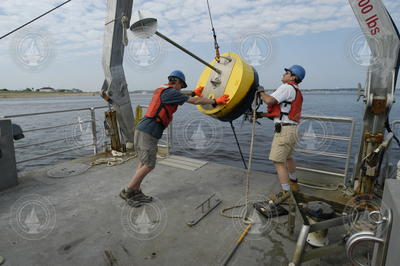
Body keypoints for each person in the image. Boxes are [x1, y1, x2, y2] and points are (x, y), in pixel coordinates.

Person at [120, 70, 230, 204]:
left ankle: (136, 191)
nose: (181, 88)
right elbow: (194, 101)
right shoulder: (171, 93)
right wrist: (215, 101)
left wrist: (193, 92)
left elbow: (181, 95)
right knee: (149, 165)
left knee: (144, 162)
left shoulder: (164, 90)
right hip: (148, 132)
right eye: (182, 85)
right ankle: (128, 191)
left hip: (144, 130)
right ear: (177, 82)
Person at [257, 65, 305, 201]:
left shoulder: (287, 87)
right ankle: (294, 183)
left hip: (285, 131)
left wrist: (261, 92)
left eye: (287, 73)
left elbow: (269, 100)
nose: (284, 74)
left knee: (278, 161)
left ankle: (285, 193)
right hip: (293, 129)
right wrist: (263, 115)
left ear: (293, 77)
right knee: (288, 157)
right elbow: (284, 112)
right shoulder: (296, 90)